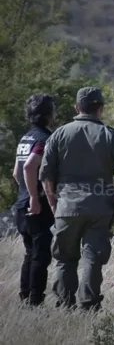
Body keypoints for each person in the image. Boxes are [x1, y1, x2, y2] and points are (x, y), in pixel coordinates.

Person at [39, 87, 114, 311]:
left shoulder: (59, 134)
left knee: (65, 259)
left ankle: (65, 305)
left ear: (77, 108)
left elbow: (45, 175)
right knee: (93, 258)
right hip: (100, 207)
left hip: (66, 205)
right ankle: (89, 305)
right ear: (101, 109)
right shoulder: (109, 134)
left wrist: (53, 202)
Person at [12, 94, 56, 307]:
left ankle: (25, 296)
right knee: (41, 256)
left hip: (21, 206)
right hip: (36, 206)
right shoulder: (44, 139)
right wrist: (34, 197)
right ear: (49, 114)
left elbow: (16, 173)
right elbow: (30, 166)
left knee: (30, 255)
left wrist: (24, 193)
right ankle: (35, 302)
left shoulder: (26, 137)